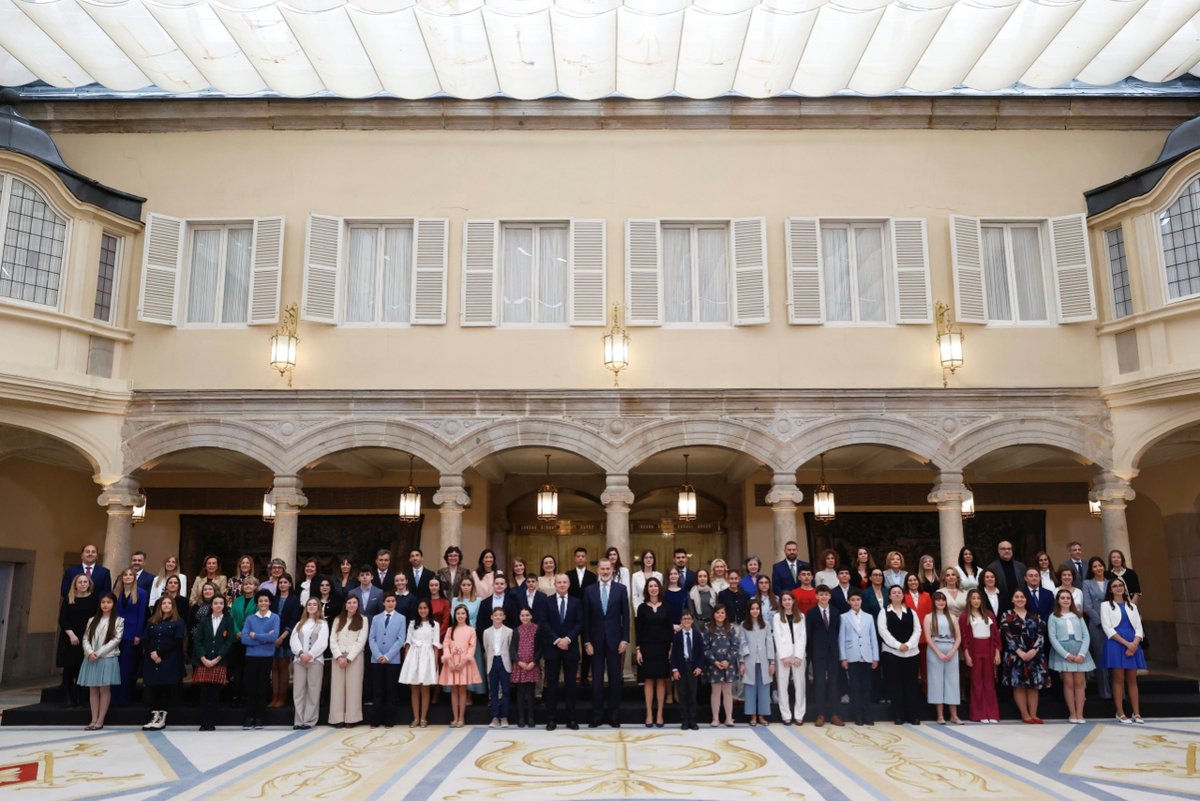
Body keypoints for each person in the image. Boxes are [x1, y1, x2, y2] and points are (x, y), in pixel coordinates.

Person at [583, 559, 629, 727]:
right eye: (602, 569)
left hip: (615, 641)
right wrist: (586, 641)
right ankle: (596, 717)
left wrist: (625, 639)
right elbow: (585, 619)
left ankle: (614, 717)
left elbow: (626, 616)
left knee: (615, 680)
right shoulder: (589, 591)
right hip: (594, 642)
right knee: (596, 680)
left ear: (612, 570)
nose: (605, 571)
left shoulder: (621, 589)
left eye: (607, 568)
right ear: (597, 570)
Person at [1000, 589, 1049, 724]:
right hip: (1015, 655)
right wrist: (1019, 652)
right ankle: (1025, 714)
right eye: (1017, 597)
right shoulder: (1007, 615)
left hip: (1034, 655)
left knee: (1034, 685)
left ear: (1026, 599)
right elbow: (1007, 635)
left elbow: (1041, 633)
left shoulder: (1035, 616)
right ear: (1012, 599)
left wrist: (1034, 650)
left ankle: (1034, 714)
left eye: (1022, 597)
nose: (1020, 599)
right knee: (1019, 685)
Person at [1101, 577, 1145, 724]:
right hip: (1116, 642)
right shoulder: (1105, 605)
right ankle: (1120, 712)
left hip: (1133, 642)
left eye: (1121, 585)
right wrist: (1126, 644)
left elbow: (1139, 627)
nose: (1118, 588)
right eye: (1115, 586)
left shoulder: (1132, 606)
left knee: (1132, 680)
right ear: (1110, 589)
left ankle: (1136, 713)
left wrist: (1134, 644)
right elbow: (1107, 627)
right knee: (1118, 679)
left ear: (1124, 588)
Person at [1048, 588, 1094, 724]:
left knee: (1079, 683)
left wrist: (1081, 653)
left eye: (1068, 598)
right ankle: (1072, 713)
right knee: (1068, 683)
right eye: (1062, 598)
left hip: (1079, 650)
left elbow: (1086, 636)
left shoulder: (1078, 616)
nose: (1066, 600)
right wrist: (1066, 654)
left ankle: (1080, 713)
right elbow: (1053, 638)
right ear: (1058, 600)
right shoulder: (1053, 617)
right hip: (1064, 651)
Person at [77, 593, 122, 730]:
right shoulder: (92, 620)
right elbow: (85, 638)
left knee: (104, 689)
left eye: (108, 602)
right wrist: (90, 652)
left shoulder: (119, 621)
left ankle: (100, 719)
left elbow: (116, 639)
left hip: (107, 657)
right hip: (91, 658)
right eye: (103, 602)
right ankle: (93, 718)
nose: (105, 605)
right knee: (93, 689)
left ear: (113, 604)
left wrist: (99, 652)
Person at [543, 573, 582, 731]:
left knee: (571, 685)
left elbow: (580, 623)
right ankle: (551, 719)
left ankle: (571, 719)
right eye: (559, 582)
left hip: (570, 648)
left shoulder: (576, 602)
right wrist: (557, 640)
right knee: (551, 685)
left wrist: (567, 639)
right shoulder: (547, 602)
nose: (561, 584)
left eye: (564, 582)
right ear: (555, 584)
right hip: (553, 649)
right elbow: (544, 623)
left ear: (569, 584)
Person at [878, 585, 921, 725]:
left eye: (899, 592)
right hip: (892, 653)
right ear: (889, 596)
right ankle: (898, 715)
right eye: (894, 593)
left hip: (911, 653)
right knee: (895, 685)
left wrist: (908, 645)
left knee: (911, 685)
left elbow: (917, 630)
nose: (897, 594)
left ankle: (912, 715)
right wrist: (898, 645)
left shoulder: (911, 612)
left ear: (903, 595)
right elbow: (883, 631)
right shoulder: (884, 612)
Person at [142, 594, 186, 730]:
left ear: (173, 607)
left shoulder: (178, 622)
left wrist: (160, 653)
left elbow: (177, 641)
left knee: (165, 688)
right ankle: (154, 716)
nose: (166, 605)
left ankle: (162, 717)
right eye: (163, 603)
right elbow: (146, 639)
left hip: (169, 658)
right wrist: (152, 653)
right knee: (154, 687)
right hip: (152, 658)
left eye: (169, 603)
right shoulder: (152, 621)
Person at [193, 593, 233, 731]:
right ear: (211, 605)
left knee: (215, 693)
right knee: (204, 693)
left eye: (221, 603)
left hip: (219, 661)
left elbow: (229, 641)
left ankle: (212, 722)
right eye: (216, 603)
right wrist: (203, 658)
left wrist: (218, 658)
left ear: (224, 606)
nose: (218, 605)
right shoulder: (204, 621)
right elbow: (198, 641)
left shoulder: (229, 620)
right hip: (204, 661)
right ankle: (203, 722)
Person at [635, 577, 672, 727]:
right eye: (650, 586)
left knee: (661, 680)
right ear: (647, 589)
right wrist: (638, 650)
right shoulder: (642, 608)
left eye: (655, 586)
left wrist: (671, 647)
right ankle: (649, 713)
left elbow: (670, 629)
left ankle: (660, 714)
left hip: (663, 648)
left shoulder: (667, 607)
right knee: (649, 680)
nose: (653, 588)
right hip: (647, 648)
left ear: (659, 588)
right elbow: (639, 631)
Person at [959, 588, 1001, 723]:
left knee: (989, 682)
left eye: (978, 598)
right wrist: (966, 654)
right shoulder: (964, 616)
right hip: (974, 650)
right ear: (969, 601)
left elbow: (995, 636)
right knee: (976, 683)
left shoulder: (989, 615)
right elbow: (964, 638)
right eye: (973, 598)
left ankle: (992, 713)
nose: (976, 601)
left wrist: (997, 652)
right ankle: (979, 713)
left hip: (988, 649)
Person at [240, 590, 279, 730]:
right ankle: (249, 717)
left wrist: (254, 635)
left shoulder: (275, 618)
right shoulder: (250, 619)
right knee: (251, 687)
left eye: (266, 600)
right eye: (260, 601)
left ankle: (260, 718)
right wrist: (264, 638)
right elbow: (244, 639)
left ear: (270, 602)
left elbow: (274, 637)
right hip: (251, 656)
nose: (263, 603)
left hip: (266, 657)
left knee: (262, 687)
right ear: (257, 603)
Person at [838, 589, 878, 726]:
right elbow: (841, 638)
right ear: (849, 602)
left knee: (867, 686)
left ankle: (868, 714)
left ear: (861, 601)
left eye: (858, 599)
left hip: (866, 655)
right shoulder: (844, 617)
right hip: (852, 655)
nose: (856, 602)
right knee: (855, 687)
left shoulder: (869, 617)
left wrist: (875, 657)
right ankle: (858, 715)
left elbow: (873, 637)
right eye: (853, 600)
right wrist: (843, 658)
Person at [58, 573, 98, 708]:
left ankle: (81, 698)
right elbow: (63, 619)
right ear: (75, 584)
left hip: (87, 637)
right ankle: (67, 698)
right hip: (70, 638)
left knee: (83, 669)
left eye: (85, 582)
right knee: (69, 668)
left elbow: (96, 618)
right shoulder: (69, 598)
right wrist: (71, 634)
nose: (82, 584)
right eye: (79, 582)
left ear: (89, 584)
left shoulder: (94, 599)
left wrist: (89, 636)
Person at [328, 595, 368, 728]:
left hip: (354, 658)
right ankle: (337, 718)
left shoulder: (363, 619)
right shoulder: (338, 619)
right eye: (349, 602)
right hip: (338, 658)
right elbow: (333, 639)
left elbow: (361, 641)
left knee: (353, 688)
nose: (351, 605)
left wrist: (349, 657)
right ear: (345, 605)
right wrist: (339, 656)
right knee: (337, 688)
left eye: (354, 602)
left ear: (358, 604)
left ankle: (351, 718)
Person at [367, 592, 406, 728]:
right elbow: (371, 638)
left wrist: (388, 656)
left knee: (391, 690)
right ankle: (376, 719)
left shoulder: (401, 618)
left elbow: (401, 639)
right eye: (388, 601)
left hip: (392, 660)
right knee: (377, 690)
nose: (390, 603)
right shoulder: (376, 618)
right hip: (376, 659)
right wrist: (378, 655)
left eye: (393, 601)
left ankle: (390, 719)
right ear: (383, 603)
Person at [400, 599, 441, 727]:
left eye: (425, 608)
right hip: (413, 656)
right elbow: (407, 643)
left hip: (427, 656)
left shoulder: (435, 624)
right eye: (420, 608)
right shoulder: (412, 624)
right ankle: (415, 718)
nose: (423, 610)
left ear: (429, 609)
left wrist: (434, 663)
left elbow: (435, 645)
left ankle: (423, 718)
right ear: (417, 610)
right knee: (414, 688)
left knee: (425, 687)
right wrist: (407, 662)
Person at [806, 585, 842, 727]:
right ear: (816, 596)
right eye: (821, 594)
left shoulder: (835, 611)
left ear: (830, 596)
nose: (824, 597)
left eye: (826, 594)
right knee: (819, 682)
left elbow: (837, 631)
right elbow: (809, 633)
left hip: (833, 651)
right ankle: (819, 714)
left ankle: (834, 714)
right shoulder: (812, 612)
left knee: (834, 682)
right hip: (818, 652)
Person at [440, 604, 482, 728]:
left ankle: (461, 717)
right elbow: (446, 645)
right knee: (454, 689)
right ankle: (454, 717)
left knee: (462, 689)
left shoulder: (471, 630)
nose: (460, 616)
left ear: (467, 615)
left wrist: (463, 662)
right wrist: (450, 661)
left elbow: (472, 647)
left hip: (464, 662)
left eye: (463, 613)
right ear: (454, 615)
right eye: (458, 613)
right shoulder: (449, 630)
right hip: (452, 662)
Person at [924, 590, 962, 724]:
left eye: (943, 600)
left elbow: (958, 637)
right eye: (938, 600)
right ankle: (940, 715)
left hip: (951, 648)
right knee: (936, 681)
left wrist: (952, 651)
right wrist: (939, 653)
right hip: (935, 650)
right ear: (934, 602)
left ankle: (954, 715)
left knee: (952, 681)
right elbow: (928, 638)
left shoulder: (952, 617)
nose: (941, 602)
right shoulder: (928, 617)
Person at [291, 596, 329, 730]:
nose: (312, 606)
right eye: (309, 604)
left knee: (313, 690)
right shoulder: (299, 624)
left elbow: (322, 642)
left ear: (318, 607)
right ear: (306, 607)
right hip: (299, 660)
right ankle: (299, 720)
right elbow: (293, 640)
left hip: (315, 660)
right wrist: (301, 653)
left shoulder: (323, 624)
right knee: (299, 690)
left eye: (314, 604)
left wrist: (311, 654)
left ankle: (309, 720)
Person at [113, 567, 148, 707]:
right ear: (121, 577)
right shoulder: (115, 593)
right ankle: (112, 697)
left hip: (131, 634)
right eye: (125, 575)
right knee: (114, 667)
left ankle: (124, 697)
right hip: (115, 634)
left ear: (134, 578)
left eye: (130, 575)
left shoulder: (141, 593)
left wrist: (138, 634)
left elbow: (142, 615)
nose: (128, 577)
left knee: (126, 668)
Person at [740, 599, 775, 726]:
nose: (755, 611)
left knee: (764, 688)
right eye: (752, 609)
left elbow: (769, 643)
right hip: (750, 660)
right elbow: (742, 643)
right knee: (750, 688)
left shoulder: (765, 624)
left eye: (757, 609)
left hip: (764, 661)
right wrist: (742, 662)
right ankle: (752, 716)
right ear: (749, 611)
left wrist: (772, 662)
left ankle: (762, 715)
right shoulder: (744, 625)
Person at [1082, 556, 1112, 700]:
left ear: (1104, 567)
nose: (1098, 568)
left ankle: (1119, 693)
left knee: (1114, 660)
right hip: (1096, 625)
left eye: (1100, 565)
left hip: (1113, 626)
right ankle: (1105, 693)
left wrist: (1110, 623)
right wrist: (1101, 622)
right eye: (1095, 566)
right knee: (1101, 658)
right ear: (1091, 569)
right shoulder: (1087, 583)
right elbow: (1087, 606)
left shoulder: (1110, 583)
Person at [774, 591, 806, 724]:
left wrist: (798, 656)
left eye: (789, 599)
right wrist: (784, 656)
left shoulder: (801, 616)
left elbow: (802, 637)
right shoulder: (777, 617)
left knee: (800, 684)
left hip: (798, 654)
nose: (787, 602)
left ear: (793, 601)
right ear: (781, 602)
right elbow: (777, 636)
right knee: (782, 684)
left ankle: (799, 714)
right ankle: (785, 714)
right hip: (783, 655)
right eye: (784, 600)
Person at [705, 604, 740, 727]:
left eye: (722, 613)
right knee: (715, 691)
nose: (720, 615)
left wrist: (728, 661)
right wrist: (714, 661)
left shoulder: (730, 628)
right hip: (713, 665)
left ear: (725, 615)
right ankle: (715, 718)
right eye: (718, 612)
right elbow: (706, 648)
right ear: (713, 614)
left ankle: (729, 718)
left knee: (727, 691)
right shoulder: (708, 629)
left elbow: (735, 646)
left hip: (728, 665)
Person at [269, 574, 300, 708]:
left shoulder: (294, 600)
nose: (282, 584)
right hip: (272, 637)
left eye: (285, 582)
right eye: (280, 582)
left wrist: (282, 636)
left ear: (290, 584)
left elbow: (294, 620)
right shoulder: (273, 600)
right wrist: (273, 635)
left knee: (283, 666)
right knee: (274, 667)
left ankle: (282, 696)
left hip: (286, 637)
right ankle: (274, 696)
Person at [510, 606, 544, 728]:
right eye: (522, 615)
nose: (525, 617)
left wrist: (533, 662)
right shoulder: (516, 630)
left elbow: (540, 647)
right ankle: (521, 718)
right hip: (520, 665)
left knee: (531, 693)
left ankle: (530, 717)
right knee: (520, 693)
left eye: (527, 615)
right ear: (519, 617)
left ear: (531, 616)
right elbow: (512, 649)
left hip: (532, 665)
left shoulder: (537, 629)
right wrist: (519, 662)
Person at [671, 610, 705, 730]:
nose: (686, 621)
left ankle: (693, 721)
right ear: (681, 621)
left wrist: (699, 667)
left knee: (692, 695)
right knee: (682, 694)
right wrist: (675, 670)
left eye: (688, 618)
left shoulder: (697, 635)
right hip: (681, 667)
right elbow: (674, 654)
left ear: (692, 620)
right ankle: (684, 721)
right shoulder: (677, 636)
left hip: (693, 668)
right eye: (684, 619)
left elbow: (701, 653)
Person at [482, 605, 512, 728]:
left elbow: (511, 648)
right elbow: (486, 647)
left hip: (504, 661)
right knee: (493, 691)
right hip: (492, 661)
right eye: (496, 615)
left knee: (505, 690)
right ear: (491, 617)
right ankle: (495, 717)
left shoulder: (509, 631)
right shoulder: (486, 632)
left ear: (504, 617)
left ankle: (504, 717)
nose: (498, 617)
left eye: (500, 615)